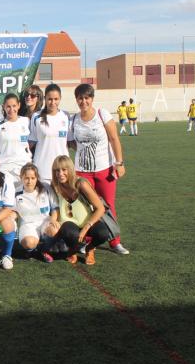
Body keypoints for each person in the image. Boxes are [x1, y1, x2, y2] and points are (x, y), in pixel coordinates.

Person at [69, 84, 128, 255]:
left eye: (87, 97)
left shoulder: (103, 114)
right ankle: (87, 243)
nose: (83, 101)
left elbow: (114, 138)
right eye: (80, 98)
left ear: (92, 98)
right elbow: (72, 142)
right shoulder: (74, 120)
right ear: (76, 100)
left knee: (108, 206)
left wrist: (120, 162)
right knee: (86, 207)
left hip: (104, 169)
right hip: (82, 172)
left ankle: (115, 241)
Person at [51, 155, 111, 265]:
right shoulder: (55, 185)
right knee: (69, 232)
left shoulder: (81, 183)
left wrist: (86, 227)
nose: (60, 174)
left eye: (64, 170)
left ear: (70, 169)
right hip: (69, 223)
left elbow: (100, 208)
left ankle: (90, 248)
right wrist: (53, 220)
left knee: (103, 233)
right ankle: (72, 250)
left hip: (88, 222)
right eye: (57, 170)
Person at [14, 163, 59, 263]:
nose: (29, 181)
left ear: (37, 178)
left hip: (45, 222)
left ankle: (44, 250)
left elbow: (55, 207)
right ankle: (33, 249)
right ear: (21, 177)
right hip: (28, 225)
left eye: (32, 178)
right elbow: (13, 212)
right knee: (29, 243)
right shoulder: (16, 192)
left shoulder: (45, 188)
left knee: (54, 230)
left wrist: (53, 219)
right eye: (26, 178)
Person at [29, 83, 70, 183]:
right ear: (45, 99)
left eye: (56, 99)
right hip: (42, 170)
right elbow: (31, 143)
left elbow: (70, 142)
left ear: (60, 98)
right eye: (50, 99)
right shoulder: (36, 117)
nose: (53, 102)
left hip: (63, 170)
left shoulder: (66, 116)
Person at [0, 93, 32, 189]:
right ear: (4, 107)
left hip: (24, 168)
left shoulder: (26, 121)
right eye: (8, 106)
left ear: (19, 105)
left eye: (14, 106)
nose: (11, 110)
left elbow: (32, 142)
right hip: (5, 169)